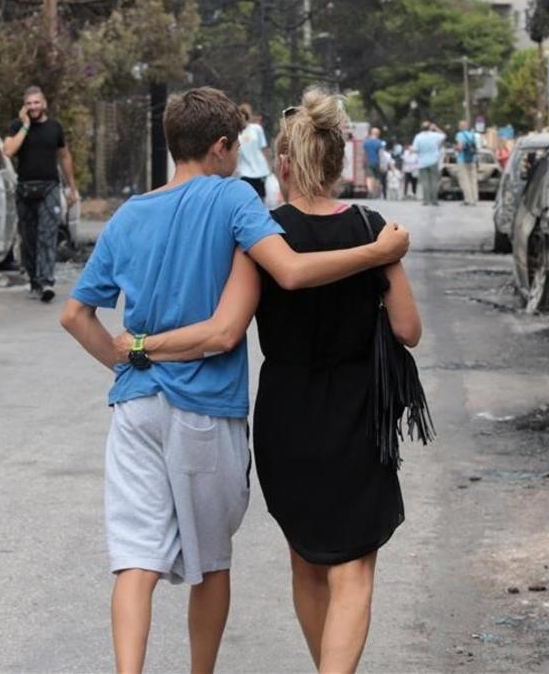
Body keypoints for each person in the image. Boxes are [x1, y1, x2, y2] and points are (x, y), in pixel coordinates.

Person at [58, 86, 410, 674]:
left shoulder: (130, 214)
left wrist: (130, 359)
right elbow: (273, 292)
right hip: (208, 408)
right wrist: (379, 252)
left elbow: (75, 314)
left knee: (136, 561)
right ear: (223, 146)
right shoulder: (232, 204)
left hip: (142, 406)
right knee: (212, 563)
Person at [3, 86, 78, 303]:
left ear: (44, 104)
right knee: (29, 238)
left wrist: (71, 186)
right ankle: (35, 280)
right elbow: (8, 151)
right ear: (24, 107)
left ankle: (46, 281)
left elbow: (64, 156)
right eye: (29, 104)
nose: (33, 107)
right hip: (25, 188)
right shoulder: (17, 126)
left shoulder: (54, 127)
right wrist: (25, 126)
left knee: (47, 234)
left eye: (37, 103)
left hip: (49, 188)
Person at [236, 103, 272, 199]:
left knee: (261, 196)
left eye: (243, 117)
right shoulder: (237, 133)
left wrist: (269, 164)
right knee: (247, 196)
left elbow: (263, 147)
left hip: (260, 170)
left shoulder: (257, 129)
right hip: (245, 171)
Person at [412, 120, 445, 206]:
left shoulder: (418, 137)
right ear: (429, 127)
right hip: (433, 161)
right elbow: (444, 135)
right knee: (434, 181)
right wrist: (436, 128)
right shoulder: (435, 135)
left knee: (425, 182)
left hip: (422, 162)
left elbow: (415, 149)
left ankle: (426, 200)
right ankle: (434, 200)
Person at [454, 120, 480, 206]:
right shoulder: (472, 135)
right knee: (473, 179)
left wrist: (455, 148)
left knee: (464, 180)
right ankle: (475, 198)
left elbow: (460, 147)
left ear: (460, 127)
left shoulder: (459, 135)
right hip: (472, 159)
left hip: (462, 160)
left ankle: (468, 199)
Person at [362, 127, 383, 199]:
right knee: (377, 178)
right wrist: (382, 164)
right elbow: (380, 154)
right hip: (377, 162)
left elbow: (364, 153)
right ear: (377, 134)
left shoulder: (366, 142)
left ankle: (370, 191)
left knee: (369, 177)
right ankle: (375, 193)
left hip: (368, 162)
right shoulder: (379, 142)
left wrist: (363, 162)